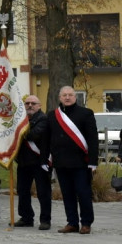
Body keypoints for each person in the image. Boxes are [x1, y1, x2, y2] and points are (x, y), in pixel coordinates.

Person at [50, 86, 98, 234]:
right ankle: (72, 222)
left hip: (81, 163)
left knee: (83, 193)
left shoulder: (86, 114)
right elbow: (48, 139)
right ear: (59, 98)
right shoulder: (53, 115)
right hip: (61, 162)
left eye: (70, 95)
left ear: (75, 97)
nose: (67, 97)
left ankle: (86, 223)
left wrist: (93, 162)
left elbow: (92, 139)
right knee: (67, 194)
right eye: (64, 95)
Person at [17, 95, 52, 230]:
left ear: (39, 105)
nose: (30, 105)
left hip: (39, 161)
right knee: (22, 191)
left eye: (33, 103)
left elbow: (33, 135)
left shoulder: (43, 119)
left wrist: (19, 130)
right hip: (23, 161)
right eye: (27, 103)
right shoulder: (21, 120)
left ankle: (45, 220)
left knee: (43, 192)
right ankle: (26, 218)